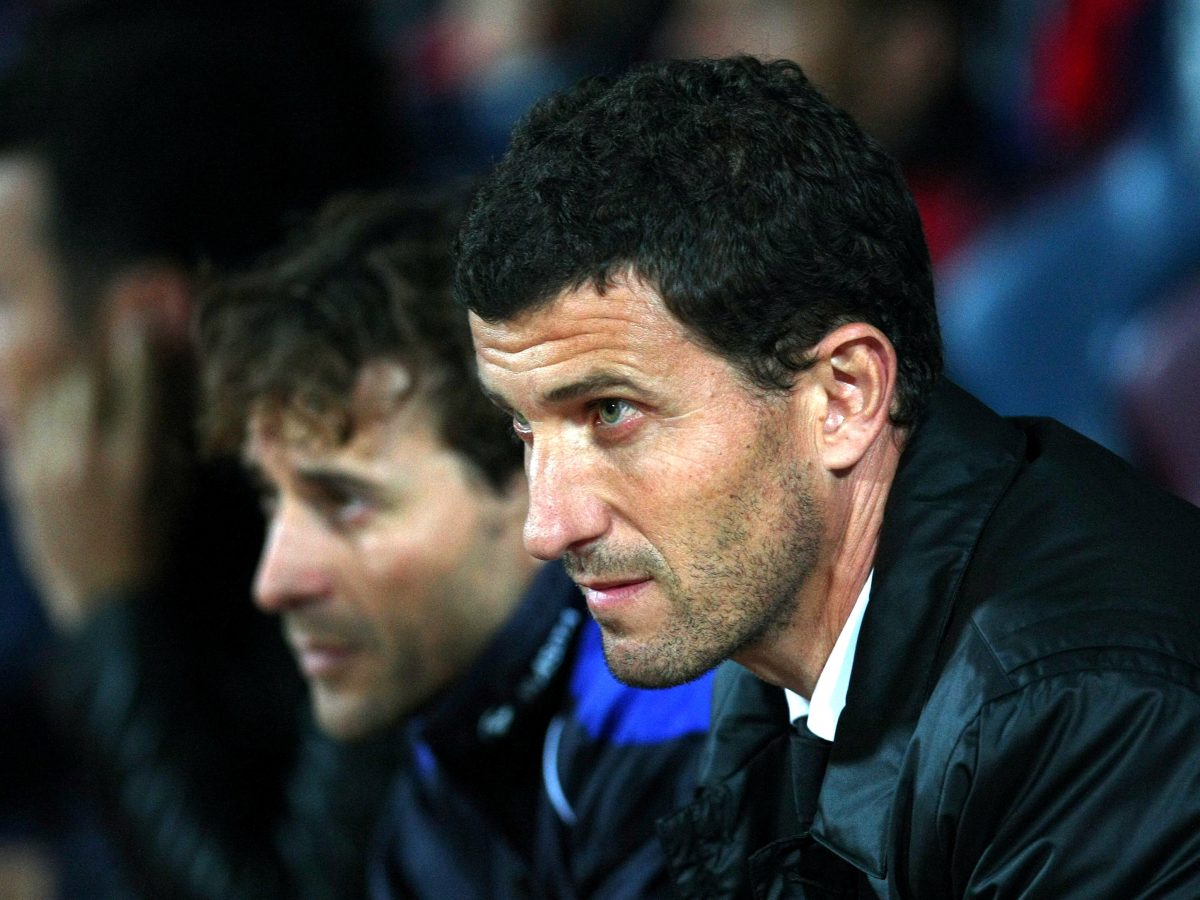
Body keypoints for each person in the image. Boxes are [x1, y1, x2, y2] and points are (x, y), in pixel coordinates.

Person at [456, 55, 1200, 897]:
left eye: (611, 412)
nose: (548, 526)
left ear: (844, 397)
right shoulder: (766, 640)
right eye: (524, 428)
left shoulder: (1088, 707)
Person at [195, 188, 714, 899]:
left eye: (345, 502)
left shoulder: (668, 726)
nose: (275, 581)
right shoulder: (442, 761)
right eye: (270, 499)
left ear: (524, 476)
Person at [0, 2, 404, 896]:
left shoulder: (384, 538)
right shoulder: (150, 511)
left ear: (147, 321)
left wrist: (107, 621)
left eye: (1, 299)